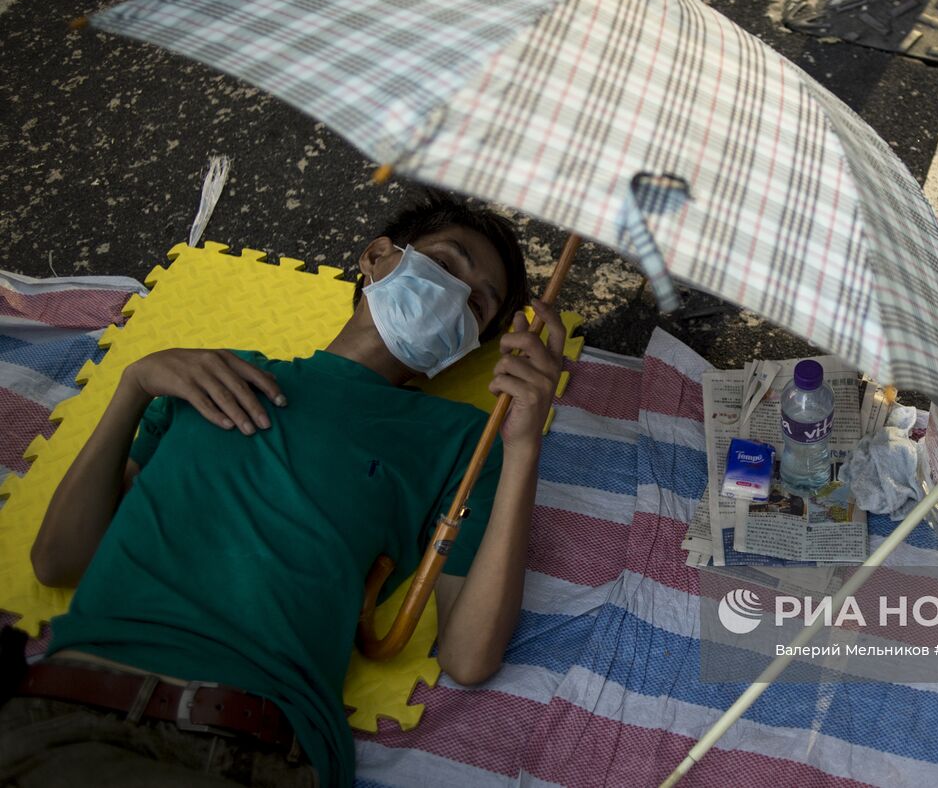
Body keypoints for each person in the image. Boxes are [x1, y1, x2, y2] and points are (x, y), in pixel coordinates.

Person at [1, 192, 564, 788]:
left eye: (477, 303)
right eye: (446, 264)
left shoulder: (464, 442)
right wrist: (135, 383)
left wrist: (525, 442)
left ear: (468, 342)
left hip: (245, 748)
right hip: (53, 711)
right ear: (376, 257)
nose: (454, 295)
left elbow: (468, 657)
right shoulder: (211, 372)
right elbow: (59, 561)